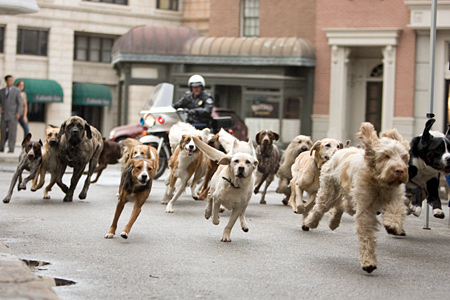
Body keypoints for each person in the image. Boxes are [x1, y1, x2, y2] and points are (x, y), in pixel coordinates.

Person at [0, 75, 24, 153]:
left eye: (12, 80)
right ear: (6, 81)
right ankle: (1, 147)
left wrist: (18, 113)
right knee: (2, 132)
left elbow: (20, 103)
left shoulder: (16, 91)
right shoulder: (2, 91)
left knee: (12, 133)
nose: (11, 82)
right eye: (9, 80)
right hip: (4, 115)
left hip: (13, 115)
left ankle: (11, 148)